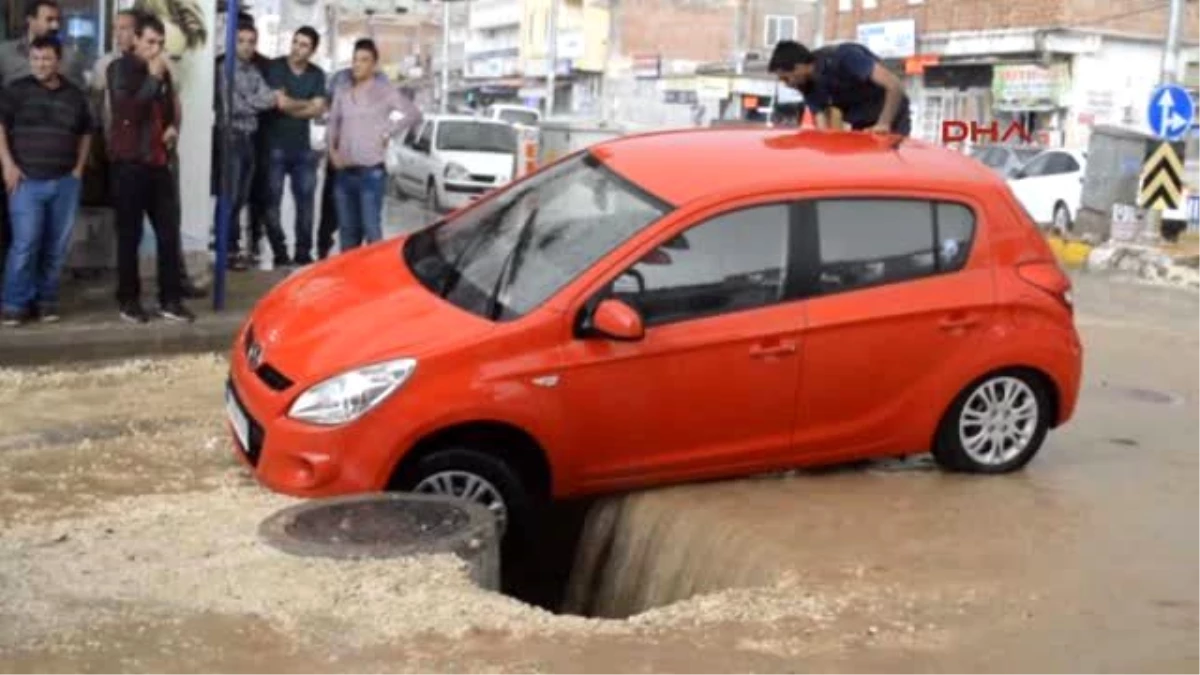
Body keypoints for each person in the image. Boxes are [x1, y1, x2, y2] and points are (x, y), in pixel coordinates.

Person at [0, 36, 94, 326]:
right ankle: (14, 303)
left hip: (65, 182)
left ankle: (46, 300)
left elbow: (86, 132)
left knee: (55, 247)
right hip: (26, 182)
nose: (40, 64)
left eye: (47, 59)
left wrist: (78, 169)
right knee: (25, 244)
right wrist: (8, 165)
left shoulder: (75, 95)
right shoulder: (16, 91)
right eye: (36, 58)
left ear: (58, 60)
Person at [105, 13, 192, 323]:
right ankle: (128, 301)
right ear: (136, 41)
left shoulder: (162, 72)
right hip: (130, 164)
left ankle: (170, 299)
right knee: (130, 237)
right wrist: (154, 78)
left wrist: (171, 128)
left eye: (160, 43)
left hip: (158, 163)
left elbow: (169, 109)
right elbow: (127, 112)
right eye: (150, 42)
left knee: (169, 234)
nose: (156, 49)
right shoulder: (120, 69)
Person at [327, 39, 421, 252]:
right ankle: (350, 280)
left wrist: (388, 131)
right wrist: (332, 152)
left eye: (364, 60)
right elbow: (333, 123)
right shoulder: (342, 91)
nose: (357, 64)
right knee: (347, 233)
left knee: (371, 231)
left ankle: (374, 280)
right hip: (344, 173)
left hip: (371, 173)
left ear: (374, 65)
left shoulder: (383, 91)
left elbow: (413, 114)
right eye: (355, 59)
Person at [214, 21, 282, 271]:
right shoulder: (225, 68)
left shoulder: (253, 71)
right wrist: (261, 101)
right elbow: (235, 106)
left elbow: (269, 96)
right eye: (241, 41)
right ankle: (227, 249)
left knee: (241, 197)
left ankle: (232, 248)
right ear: (232, 42)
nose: (246, 46)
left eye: (251, 42)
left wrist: (259, 100)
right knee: (229, 196)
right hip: (231, 136)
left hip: (249, 139)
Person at [262, 26, 327, 267]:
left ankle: (302, 253)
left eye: (304, 45)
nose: (297, 49)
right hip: (275, 147)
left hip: (303, 150)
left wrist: (294, 104)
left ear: (312, 50)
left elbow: (319, 108)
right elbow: (280, 104)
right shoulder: (276, 67)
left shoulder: (317, 74)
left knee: (306, 204)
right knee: (272, 204)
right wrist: (306, 105)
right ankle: (280, 251)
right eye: (295, 42)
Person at [315, 63, 387, 260]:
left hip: (369, 165)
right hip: (340, 163)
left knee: (369, 223)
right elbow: (330, 116)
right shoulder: (341, 79)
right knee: (337, 218)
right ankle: (328, 252)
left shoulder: (381, 82)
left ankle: (372, 266)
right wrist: (332, 152)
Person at [768, 40, 911, 136]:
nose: (787, 84)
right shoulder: (808, 87)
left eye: (786, 78)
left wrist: (884, 124)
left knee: (887, 165)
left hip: (890, 116)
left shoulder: (845, 57)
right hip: (861, 122)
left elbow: (894, 85)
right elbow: (822, 126)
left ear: (799, 67)